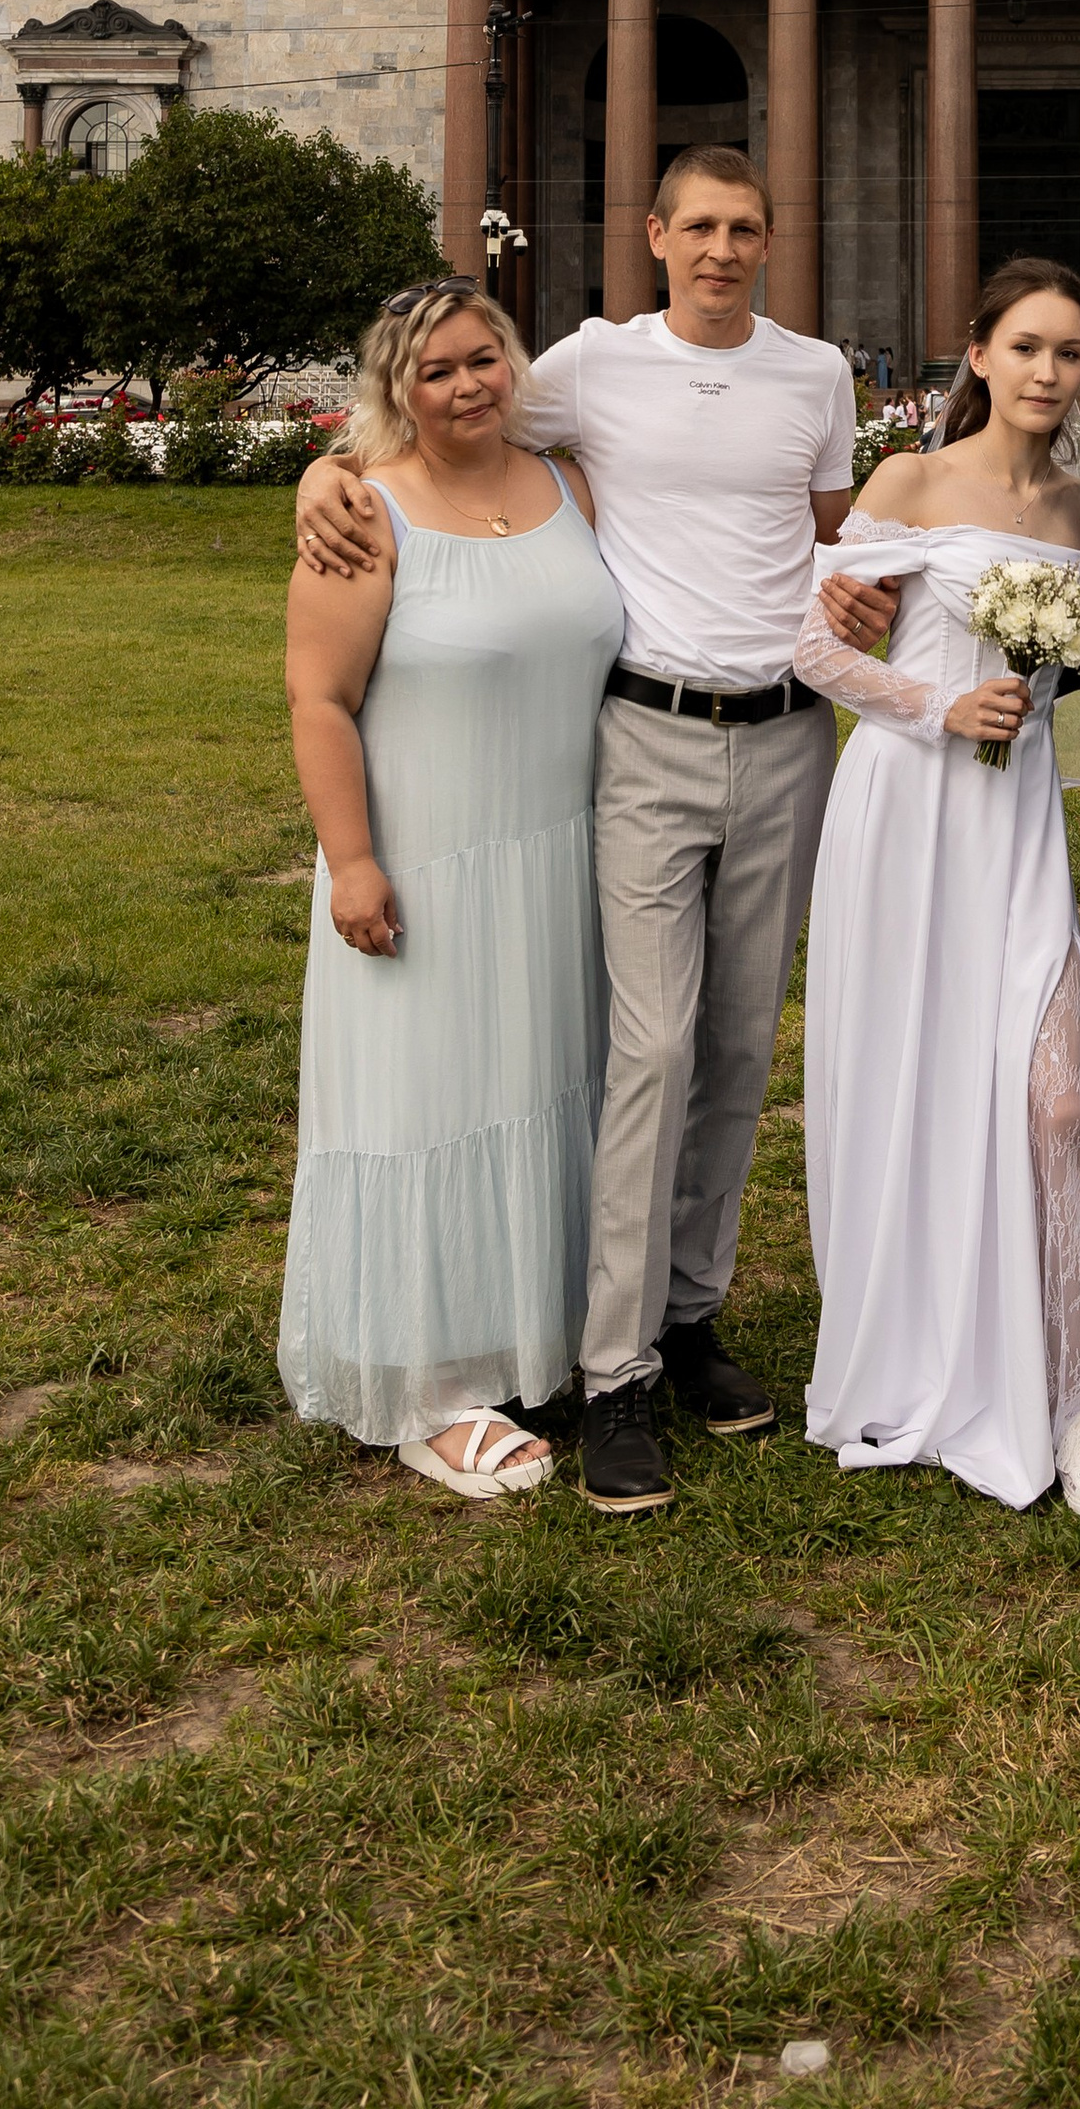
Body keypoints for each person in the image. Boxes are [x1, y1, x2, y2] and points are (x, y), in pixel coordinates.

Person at [296, 148, 855, 1515]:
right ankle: (614, 1374)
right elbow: (413, 417)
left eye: (746, 227)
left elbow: (841, 537)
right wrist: (319, 470)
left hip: (779, 740)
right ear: (655, 234)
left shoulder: (817, 375)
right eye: (698, 226)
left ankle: (688, 1312)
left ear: (771, 240)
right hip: (641, 745)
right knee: (649, 1047)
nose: (721, 248)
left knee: (730, 1049)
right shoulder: (596, 364)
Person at [795, 260, 1080, 1517]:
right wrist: (940, 703)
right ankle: (926, 1334)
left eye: (1070, 353)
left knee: (1053, 1100)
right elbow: (812, 647)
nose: (1048, 373)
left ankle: (1071, 1402)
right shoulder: (909, 481)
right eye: (1025, 348)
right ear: (979, 352)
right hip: (904, 817)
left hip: (1015, 830)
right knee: (923, 1077)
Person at [279, 281, 619, 1499]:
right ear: (395, 392)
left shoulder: (567, 484)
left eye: (484, 359)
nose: (468, 385)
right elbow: (318, 698)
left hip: (559, 854)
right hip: (422, 860)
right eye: (436, 372)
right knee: (428, 1104)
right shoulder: (364, 515)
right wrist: (353, 860)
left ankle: (527, 1335)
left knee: (537, 1090)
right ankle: (425, 1388)